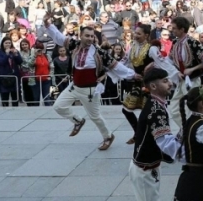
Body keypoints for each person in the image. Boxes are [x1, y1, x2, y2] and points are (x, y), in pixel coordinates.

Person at [122, 67, 178, 201]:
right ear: (153, 86)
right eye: (165, 81)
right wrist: (187, 150)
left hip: (144, 167)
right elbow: (166, 143)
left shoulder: (157, 105)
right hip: (144, 170)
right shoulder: (156, 109)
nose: (170, 83)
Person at [45, 21, 136, 150]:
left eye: (92, 36)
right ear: (80, 36)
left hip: (90, 90)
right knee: (58, 106)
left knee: (95, 116)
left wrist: (132, 75)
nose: (90, 38)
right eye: (87, 36)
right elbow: (59, 38)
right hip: (74, 86)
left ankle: (108, 136)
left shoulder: (100, 53)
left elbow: (116, 66)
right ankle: (78, 120)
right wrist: (49, 25)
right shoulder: (73, 44)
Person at [166, 16, 203, 129]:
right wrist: (175, 72)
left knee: (192, 108)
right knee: (174, 108)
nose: (172, 30)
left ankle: (194, 130)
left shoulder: (192, 42)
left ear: (182, 29)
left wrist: (192, 69)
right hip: (182, 81)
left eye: (174, 28)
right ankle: (187, 128)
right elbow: (170, 60)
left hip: (193, 81)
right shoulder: (175, 42)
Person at [121, 23, 163, 144]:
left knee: (148, 112)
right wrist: (112, 67)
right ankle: (138, 133)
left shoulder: (151, 49)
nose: (136, 35)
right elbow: (123, 62)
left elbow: (162, 63)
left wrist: (152, 65)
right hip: (136, 83)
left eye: (139, 33)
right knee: (126, 109)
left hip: (149, 85)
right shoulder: (132, 48)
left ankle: (148, 136)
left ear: (146, 35)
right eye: (135, 33)